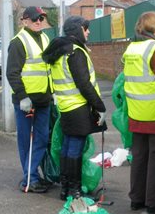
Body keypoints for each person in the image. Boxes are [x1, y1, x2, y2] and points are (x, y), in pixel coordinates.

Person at [42, 16, 107, 200]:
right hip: (78, 107)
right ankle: (75, 191)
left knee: (67, 147)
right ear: (78, 30)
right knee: (74, 149)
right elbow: (84, 84)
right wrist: (100, 106)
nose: (88, 32)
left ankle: (66, 188)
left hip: (65, 106)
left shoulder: (60, 50)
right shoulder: (75, 52)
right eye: (86, 29)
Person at [122, 11, 155, 214]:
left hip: (136, 111)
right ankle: (154, 202)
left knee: (139, 156)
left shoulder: (131, 48)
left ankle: (137, 199)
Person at [7, 6, 51, 193]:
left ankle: (32, 176)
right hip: (26, 103)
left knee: (41, 139)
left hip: (44, 99)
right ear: (25, 21)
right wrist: (23, 97)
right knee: (26, 142)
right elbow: (12, 73)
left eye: (41, 18)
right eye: (35, 19)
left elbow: (49, 69)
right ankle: (30, 178)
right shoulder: (18, 42)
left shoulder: (45, 38)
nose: (39, 22)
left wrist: (53, 92)